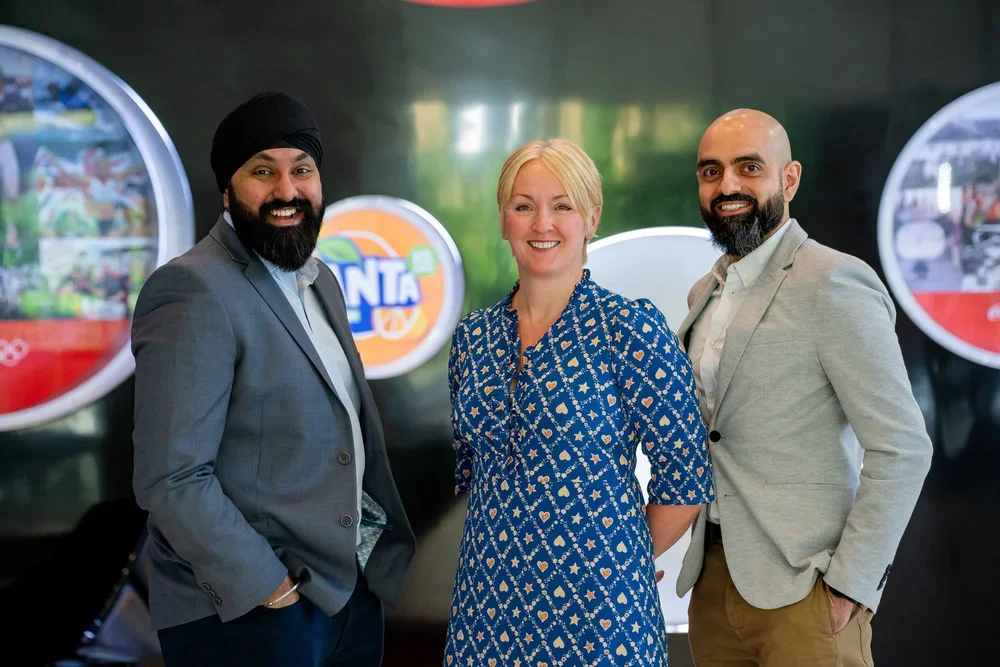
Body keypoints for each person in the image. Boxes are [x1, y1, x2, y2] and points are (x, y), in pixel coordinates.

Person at [131, 91, 415, 667]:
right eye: (263, 171)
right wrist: (268, 586)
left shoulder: (321, 281)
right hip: (248, 610)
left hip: (344, 593)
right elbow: (172, 475)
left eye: (301, 170)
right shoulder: (193, 288)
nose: (287, 191)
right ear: (228, 190)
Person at [676, 109, 933, 666]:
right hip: (713, 580)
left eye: (748, 167)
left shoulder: (834, 282)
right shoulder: (705, 292)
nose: (728, 186)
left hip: (805, 589)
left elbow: (903, 447)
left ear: (788, 179)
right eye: (711, 171)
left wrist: (851, 585)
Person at [443, 138, 714, 667]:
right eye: (524, 206)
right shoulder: (471, 339)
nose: (542, 223)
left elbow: (685, 469)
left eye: (562, 206)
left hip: (599, 615)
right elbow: (475, 473)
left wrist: (626, 558)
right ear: (504, 221)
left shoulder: (628, 329)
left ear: (591, 218)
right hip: (485, 611)